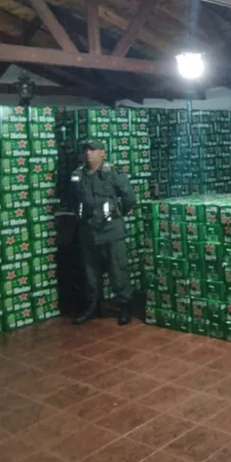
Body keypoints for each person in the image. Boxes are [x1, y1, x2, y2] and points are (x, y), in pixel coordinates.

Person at [69, 139, 138, 326]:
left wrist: (116, 215)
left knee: (118, 270)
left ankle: (124, 305)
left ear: (102, 153)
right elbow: (72, 199)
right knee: (91, 272)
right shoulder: (78, 175)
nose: (88, 153)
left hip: (111, 230)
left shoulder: (113, 173)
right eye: (86, 150)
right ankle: (93, 307)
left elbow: (129, 198)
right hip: (88, 231)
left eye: (92, 150)